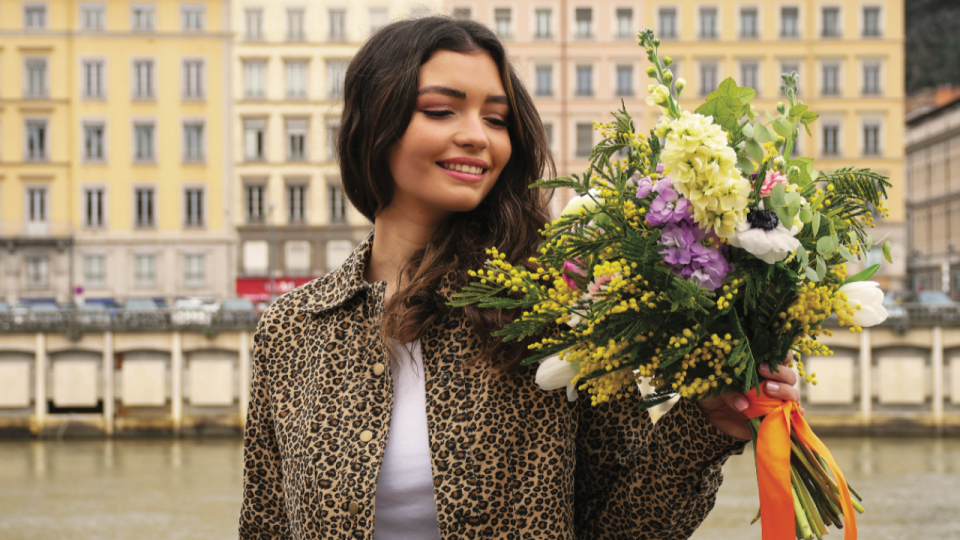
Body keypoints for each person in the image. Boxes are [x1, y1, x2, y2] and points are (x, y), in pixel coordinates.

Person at [238, 16, 801, 540]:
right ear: (374, 124)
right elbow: (263, 527)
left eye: (496, 118)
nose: (477, 136)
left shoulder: (556, 309)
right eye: (441, 111)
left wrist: (709, 427)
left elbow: (625, 525)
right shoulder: (291, 331)